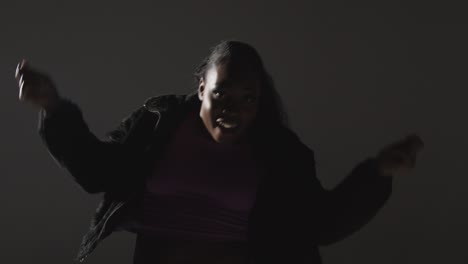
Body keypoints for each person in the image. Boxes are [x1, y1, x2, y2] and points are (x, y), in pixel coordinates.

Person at [15, 40, 424, 264]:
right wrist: (54, 106)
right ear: (200, 91)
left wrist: (378, 173)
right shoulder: (159, 124)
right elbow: (97, 171)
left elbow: (319, 224)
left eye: (247, 100)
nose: (232, 110)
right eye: (221, 95)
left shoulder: (279, 153)